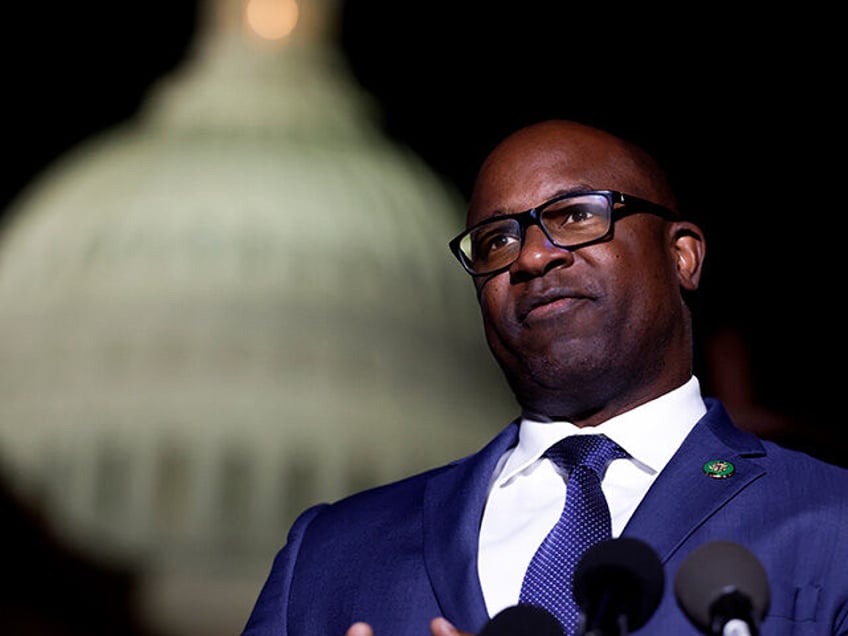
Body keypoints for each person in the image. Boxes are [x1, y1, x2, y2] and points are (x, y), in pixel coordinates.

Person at [241, 120, 848, 635]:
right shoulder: (330, 554)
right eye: (496, 239)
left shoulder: (830, 520)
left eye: (578, 215)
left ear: (682, 256)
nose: (531, 256)